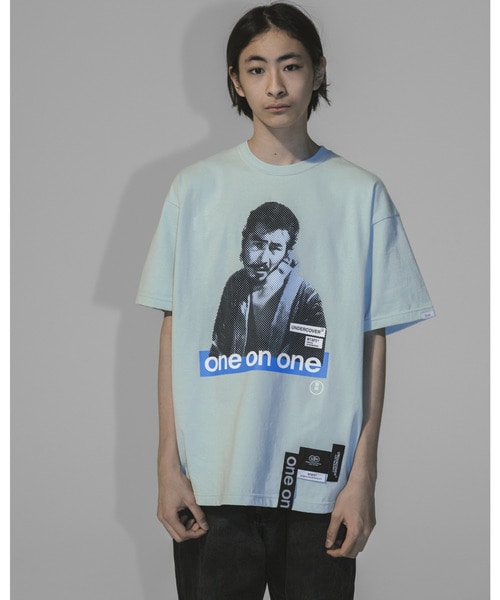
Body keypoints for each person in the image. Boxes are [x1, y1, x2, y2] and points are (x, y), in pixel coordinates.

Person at [136, 3, 435, 599]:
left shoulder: (360, 195)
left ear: (318, 71)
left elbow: (371, 343)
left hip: (319, 484)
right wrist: (167, 466)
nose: (274, 85)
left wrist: (363, 477)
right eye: (256, 69)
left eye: (291, 66)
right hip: (214, 480)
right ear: (235, 80)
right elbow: (176, 331)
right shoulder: (195, 190)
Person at [210, 201, 327, 363]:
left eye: (275, 248)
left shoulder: (307, 299)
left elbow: (313, 366)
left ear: (286, 254)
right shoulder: (235, 284)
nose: (264, 259)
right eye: (258, 244)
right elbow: (217, 356)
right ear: (244, 242)